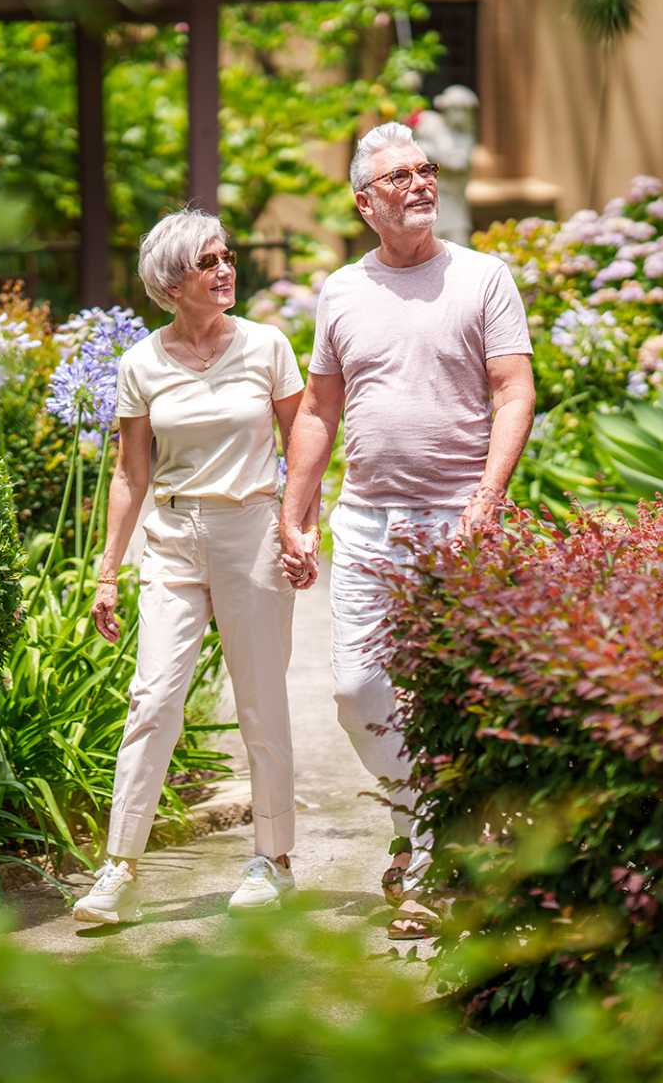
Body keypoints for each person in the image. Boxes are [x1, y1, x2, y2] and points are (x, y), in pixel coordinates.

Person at [279, 121, 535, 940]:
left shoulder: (483, 278)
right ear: (365, 202)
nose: (421, 183)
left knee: (451, 697)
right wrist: (296, 511)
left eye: (426, 170)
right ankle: (425, 826)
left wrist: (487, 499)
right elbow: (320, 407)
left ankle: (424, 859)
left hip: (455, 519)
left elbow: (514, 391)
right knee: (357, 691)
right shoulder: (343, 291)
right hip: (366, 522)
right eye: (401, 177)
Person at [72, 210, 310, 926]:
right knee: (152, 700)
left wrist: (300, 527)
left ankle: (273, 859)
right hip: (172, 538)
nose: (227, 269)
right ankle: (120, 867)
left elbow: (304, 439)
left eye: (227, 256)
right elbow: (128, 472)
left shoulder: (268, 346)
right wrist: (108, 572)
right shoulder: (140, 362)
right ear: (175, 282)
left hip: (251, 532)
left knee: (260, 701)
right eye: (211, 262)